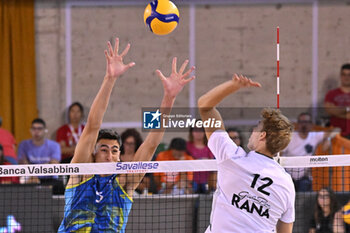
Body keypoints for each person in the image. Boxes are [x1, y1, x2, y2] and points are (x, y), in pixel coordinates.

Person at [58, 38, 195, 232]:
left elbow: (150, 145)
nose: (110, 154)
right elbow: (92, 125)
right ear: (93, 154)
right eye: (103, 149)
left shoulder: (124, 183)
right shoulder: (81, 173)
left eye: (115, 150)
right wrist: (110, 79)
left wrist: (169, 98)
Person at [198, 74, 295, 233]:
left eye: (256, 128)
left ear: (262, 135)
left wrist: (233, 86)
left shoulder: (231, 157)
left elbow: (205, 106)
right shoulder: (287, 184)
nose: (252, 132)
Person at [282, 112, 339, 192]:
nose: (304, 125)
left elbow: (337, 130)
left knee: (305, 200)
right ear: (298, 124)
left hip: (304, 178)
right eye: (301, 122)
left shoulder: (314, 136)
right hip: (287, 176)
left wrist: (328, 139)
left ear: (311, 125)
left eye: (306, 122)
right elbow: (280, 154)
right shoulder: (290, 137)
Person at [18, 118, 64, 193]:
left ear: (45, 130)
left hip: (49, 179)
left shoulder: (54, 146)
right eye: (34, 129)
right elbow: (23, 163)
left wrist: (35, 170)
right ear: (30, 130)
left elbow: (54, 163)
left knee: (59, 186)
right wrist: (32, 176)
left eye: (39, 129)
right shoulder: (23, 145)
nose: (36, 131)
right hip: (30, 178)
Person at [120, 128, 151, 195]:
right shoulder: (117, 158)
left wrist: (131, 182)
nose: (128, 146)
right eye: (126, 143)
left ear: (136, 144)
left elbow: (146, 186)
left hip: (136, 193)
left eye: (131, 144)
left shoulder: (141, 160)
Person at [324, 63, 350, 139]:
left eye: (349, 75)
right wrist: (348, 109)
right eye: (344, 74)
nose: (346, 77)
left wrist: (338, 111)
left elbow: (334, 110)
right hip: (336, 135)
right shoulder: (332, 94)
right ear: (340, 76)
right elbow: (330, 110)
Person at [186, 125, 214, 193]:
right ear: (191, 132)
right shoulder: (187, 145)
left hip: (207, 179)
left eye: (201, 130)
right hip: (192, 180)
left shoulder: (210, 145)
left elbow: (213, 162)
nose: (198, 133)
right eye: (196, 130)